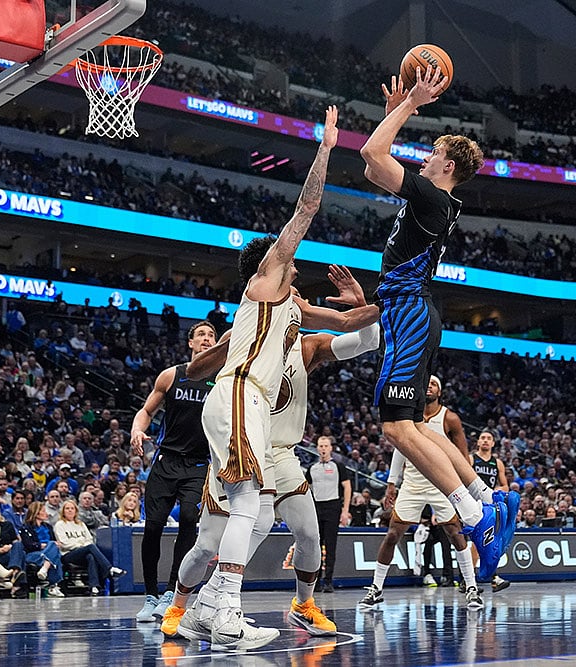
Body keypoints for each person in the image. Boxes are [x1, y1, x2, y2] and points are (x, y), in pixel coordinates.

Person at [189, 105, 376, 652]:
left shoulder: (291, 308)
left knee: (253, 506)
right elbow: (307, 208)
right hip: (242, 393)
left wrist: (389, 296)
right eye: (288, 264)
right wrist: (325, 150)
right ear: (267, 269)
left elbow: (348, 321)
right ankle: (219, 606)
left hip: (246, 404)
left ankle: (209, 606)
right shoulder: (266, 286)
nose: (296, 268)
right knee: (252, 504)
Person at [162, 268, 379, 641]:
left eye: (296, 294)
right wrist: (222, 349)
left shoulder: (308, 346)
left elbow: (366, 343)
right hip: (242, 441)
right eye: (285, 292)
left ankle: (303, 606)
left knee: (309, 535)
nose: (291, 297)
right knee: (206, 546)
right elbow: (195, 371)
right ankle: (181, 607)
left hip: (281, 452)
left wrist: (360, 304)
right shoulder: (245, 335)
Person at [360, 65, 514, 579]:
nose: (425, 159)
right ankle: (484, 498)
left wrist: (409, 106)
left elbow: (370, 156)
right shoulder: (436, 199)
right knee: (407, 424)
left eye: (432, 154)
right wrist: (394, 116)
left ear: (447, 165)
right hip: (412, 311)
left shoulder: (431, 196)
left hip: (410, 312)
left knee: (396, 425)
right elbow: (373, 169)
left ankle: (476, 518)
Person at [359, 376, 482, 610]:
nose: (429, 386)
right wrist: (392, 483)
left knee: (455, 533)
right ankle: (375, 589)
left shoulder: (450, 418)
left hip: (441, 484)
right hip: (413, 483)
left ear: (441, 391)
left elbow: (463, 456)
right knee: (393, 534)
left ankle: (472, 587)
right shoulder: (409, 414)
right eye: (426, 383)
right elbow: (399, 449)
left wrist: (466, 485)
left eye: (434, 384)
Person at [129, 320, 217, 624]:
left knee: (189, 522)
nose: (207, 339)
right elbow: (146, 411)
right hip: (166, 462)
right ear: (191, 343)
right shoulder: (172, 375)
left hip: (199, 464)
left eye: (211, 336)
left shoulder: (221, 380)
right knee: (152, 528)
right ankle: (150, 596)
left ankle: (171, 592)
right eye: (201, 335)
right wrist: (137, 431)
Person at [305, 436, 352, 593]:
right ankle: (315, 581)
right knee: (315, 546)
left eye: (326, 446)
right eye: (320, 446)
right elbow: (307, 488)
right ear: (317, 448)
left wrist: (345, 510)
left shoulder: (338, 466)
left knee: (331, 545)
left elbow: (347, 487)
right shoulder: (312, 468)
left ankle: (328, 580)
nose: (323, 449)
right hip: (317, 507)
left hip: (333, 506)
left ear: (331, 448)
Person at [469, 429, 512, 593]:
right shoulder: (471, 459)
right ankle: (471, 578)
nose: (485, 440)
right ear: (478, 442)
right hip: (473, 503)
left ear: (493, 443)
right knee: (478, 540)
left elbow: (505, 485)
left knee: (489, 540)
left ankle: (491, 578)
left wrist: (494, 491)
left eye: (489, 438)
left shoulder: (497, 463)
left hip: (490, 504)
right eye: (482, 438)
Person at [53, 499, 125, 596]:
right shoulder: (60, 524)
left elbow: (89, 539)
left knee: (90, 556)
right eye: (67, 508)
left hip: (83, 552)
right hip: (68, 554)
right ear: (63, 511)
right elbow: (64, 543)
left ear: (75, 511)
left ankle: (94, 587)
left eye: (72, 508)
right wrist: (81, 544)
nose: (70, 510)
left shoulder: (81, 524)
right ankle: (109, 569)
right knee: (90, 548)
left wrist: (82, 544)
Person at [19, 501, 64, 597]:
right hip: (33, 554)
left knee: (54, 550)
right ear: (36, 513)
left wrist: (53, 545)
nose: (46, 513)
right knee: (54, 552)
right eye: (43, 511)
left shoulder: (48, 527)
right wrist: (45, 545)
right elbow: (29, 545)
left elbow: (54, 542)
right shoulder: (25, 528)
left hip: (48, 552)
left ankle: (45, 568)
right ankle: (53, 586)